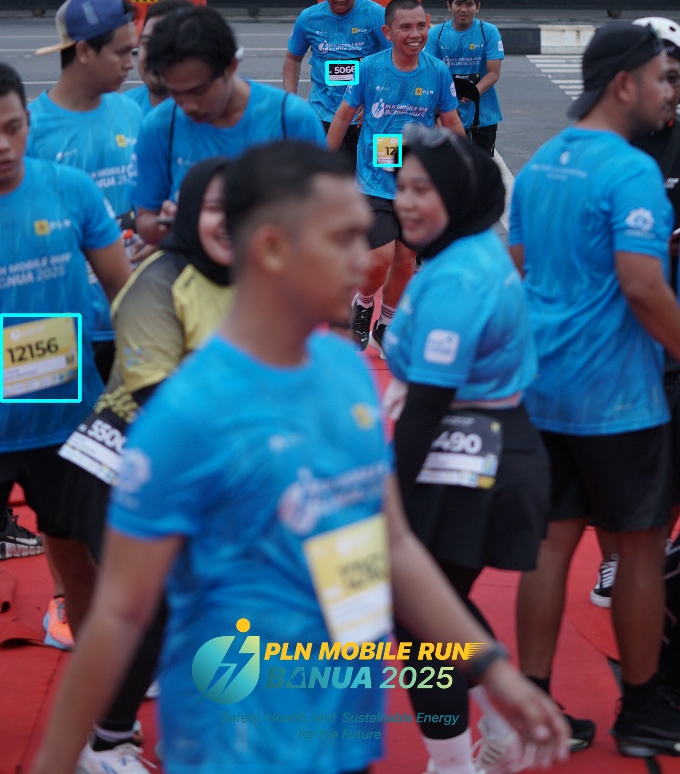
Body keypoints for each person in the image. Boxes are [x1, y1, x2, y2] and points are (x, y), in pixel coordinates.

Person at [28, 141, 568, 774]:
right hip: (236, 744)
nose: (364, 261)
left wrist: (495, 673)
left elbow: (393, 547)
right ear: (272, 249)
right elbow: (120, 616)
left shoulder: (345, 374)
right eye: (342, 239)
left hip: (343, 726)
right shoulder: (187, 417)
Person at [509, 21, 680, 758]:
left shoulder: (542, 163)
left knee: (550, 547)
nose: (671, 93)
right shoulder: (631, 171)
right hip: (618, 396)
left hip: (544, 387)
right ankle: (642, 711)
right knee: (638, 549)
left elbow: (519, 267)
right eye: (664, 79)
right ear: (624, 84)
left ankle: (535, 705)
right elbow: (643, 286)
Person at [56, 157, 233, 774]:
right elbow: (160, 398)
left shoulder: (254, 277)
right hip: (120, 466)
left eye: (241, 207)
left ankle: (196, 726)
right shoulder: (157, 281)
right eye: (214, 207)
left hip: (197, 466)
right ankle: (105, 743)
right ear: (188, 210)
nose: (228, 222)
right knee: (148, 607)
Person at [382, 123, 550, 774]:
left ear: (457, 191)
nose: (406, 202)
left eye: (424, 189)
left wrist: (388, 503)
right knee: (436, 607)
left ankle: (452, 762)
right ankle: (501, 726)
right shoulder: (468, 247)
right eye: (402, 186)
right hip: (477, 448)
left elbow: (428, 403)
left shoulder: (458, 276)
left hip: (467, 456)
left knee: (420, 617)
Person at [0, 61, 130, 653]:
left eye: (13, 127)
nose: (4, 146)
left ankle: (106, 688)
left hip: (68, 420)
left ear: (27, 123)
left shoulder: (71, 190)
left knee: (82, 561)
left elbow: (124, 293)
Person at [28, 0, 141, 646]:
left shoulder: (132, 111)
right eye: (122, 52)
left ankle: (125, 611)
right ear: (85, 51)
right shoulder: (29, 129)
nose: (131, 63)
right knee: (56, 484)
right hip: (50, 332)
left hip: (130, 324)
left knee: (126, 478)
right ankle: (69, 601)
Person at [589, 16, 680, 609]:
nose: (666, 85)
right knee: (614, 470)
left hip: (668, 332)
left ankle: (658, 549)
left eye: (673, 73)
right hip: (615, 334)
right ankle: (615, 558)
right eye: (657, 73)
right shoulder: (600, 147)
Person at [326, 0, 464, 355]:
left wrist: (465, 169)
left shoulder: (437, 71)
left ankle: (385, 325)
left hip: (416, 185)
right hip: (373, 180)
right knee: (379, 258)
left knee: (405, 261)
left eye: (420, 26)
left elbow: (451, 122)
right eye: (405, 27)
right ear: (387, 32)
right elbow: (343, 116)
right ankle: (363, 303)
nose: (414, 34)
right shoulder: (369, 68)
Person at [131, 5, 326, 245]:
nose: (188, 106)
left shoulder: (291, 120)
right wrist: (174, 224)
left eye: (198, 91)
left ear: (231, 66)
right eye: (176, 93)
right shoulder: (160, 125)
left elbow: (325, 212)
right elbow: (146, 220)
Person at [282, 0, 389, 162]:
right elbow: (292, 59)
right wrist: (291, 101)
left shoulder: (377, 15)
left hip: (372, 116)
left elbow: (397, 60)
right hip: (324, 116)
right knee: (328, 176)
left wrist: (379, 97)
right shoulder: (308, 18)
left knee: (387, 170)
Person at [425, 0, 504, 156]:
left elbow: (494, 73)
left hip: (482, 117)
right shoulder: (436, 33)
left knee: (480, 167)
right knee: (448, 165)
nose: (463, 9)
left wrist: (472, 92)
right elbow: (430, 74)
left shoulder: (488, 32)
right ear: (449, 6)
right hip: (446, 115)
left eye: (469, 4)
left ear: (477, 7)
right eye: (458, 4)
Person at [124, 0, 193, 115]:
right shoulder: (122, 108)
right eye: (147, 43)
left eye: (166, 44)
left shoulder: (213, 117)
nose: (154, 54)